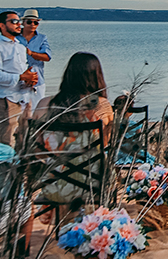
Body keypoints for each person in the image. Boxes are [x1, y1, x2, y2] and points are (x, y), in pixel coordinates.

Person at [35, 52, 114, 209]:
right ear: (97, 76)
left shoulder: (44, 104)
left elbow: (39, 153)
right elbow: (104, 145)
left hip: (54, 186)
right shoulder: (102, 105)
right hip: (92, 185)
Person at [0, 10, 39, 145]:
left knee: (24, 139)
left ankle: (21, 165)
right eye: (14, 21)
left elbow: (22, 72)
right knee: (7, 139)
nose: (19, 24)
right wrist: (21, 76)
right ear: (2, 25)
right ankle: (5, 166)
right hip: (7, 99)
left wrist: (30, 79)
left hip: (25, 96)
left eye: (19, 21)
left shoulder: (20, 46)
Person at [17, 9, 51, 105]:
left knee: (37, 110)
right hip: (19, 80)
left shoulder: (42, 38)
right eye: (29, 22)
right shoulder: (15, 38)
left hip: (38, 81)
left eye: (35, 22)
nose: (32, 24)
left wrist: (31, 53)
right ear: (23, 23)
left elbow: (47, 57)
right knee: (18, 111)